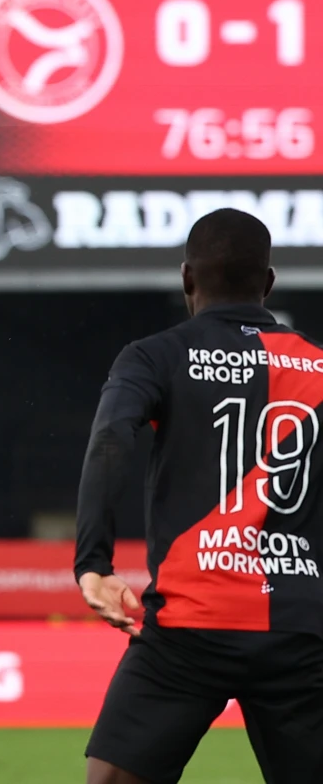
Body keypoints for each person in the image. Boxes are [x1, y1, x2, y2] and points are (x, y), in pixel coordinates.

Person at [75, 208, 323, 784]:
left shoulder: (154, 355)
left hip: (190, 626)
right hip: (300, 629)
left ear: (187, 278)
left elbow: (111, 439)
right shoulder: (318, 365)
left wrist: (94, 563)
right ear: (269, 283)